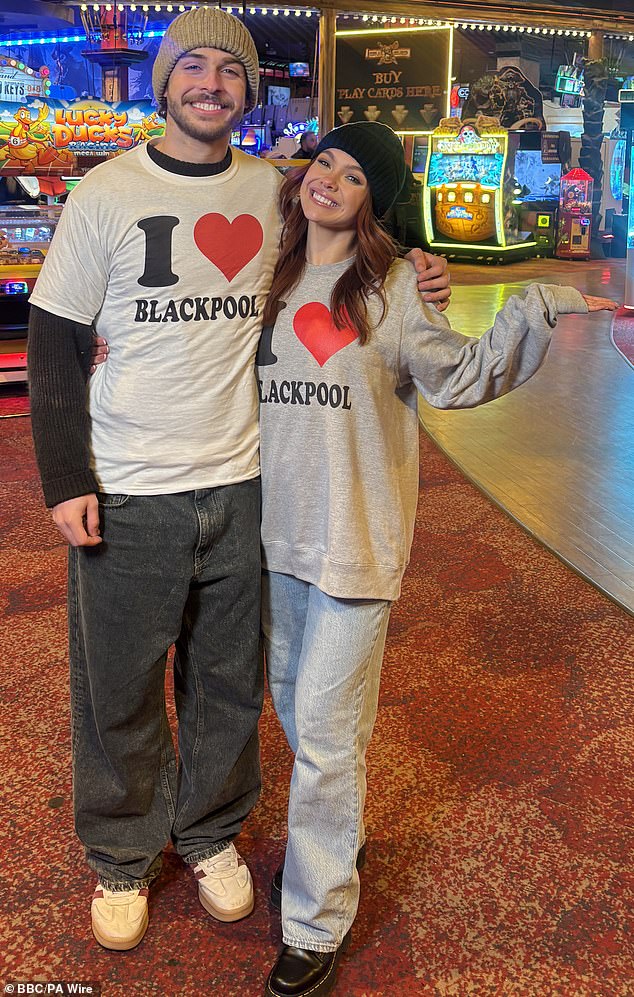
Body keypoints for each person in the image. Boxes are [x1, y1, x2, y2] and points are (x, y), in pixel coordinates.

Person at [26, 7, 450, 954]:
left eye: (230, 69)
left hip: (251, 482)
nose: (211, 83)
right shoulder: (105, 190)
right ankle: (123, 855)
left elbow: (369, 223)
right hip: (129, 482)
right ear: (165, 80)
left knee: (227, 682)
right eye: (194, 67)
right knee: (119, 684)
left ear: (249, 92)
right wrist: (63, 476)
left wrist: (427, 264)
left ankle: (210, 832)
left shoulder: (277, 191)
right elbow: (54, 335)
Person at [251, 122, 617, 996]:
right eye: (324, 163)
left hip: (357, 543)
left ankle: (315, 917)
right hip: (271, 539)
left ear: (377, 198)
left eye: (354, 174)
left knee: (331, 738)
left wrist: (542, 303)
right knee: (298, 713)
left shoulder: (398, 292)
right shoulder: (267, 270)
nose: (330, 181)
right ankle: (334, 833)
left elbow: (460, 376)